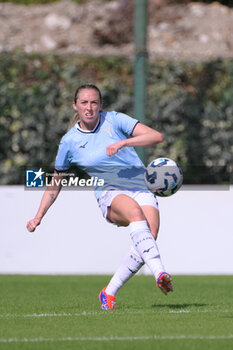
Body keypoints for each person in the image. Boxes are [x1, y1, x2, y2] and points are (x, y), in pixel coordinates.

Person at [26, 83, 173, 310]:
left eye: (94, 102)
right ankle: (160, 273)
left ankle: (109, 292)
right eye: (84, 102)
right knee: (135, 213)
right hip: (109, 190)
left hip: (140, 184)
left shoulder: (114, 120)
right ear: (75, 106)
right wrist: (38, 215)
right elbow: (56, 183)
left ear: (100, 105)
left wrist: (124, 142)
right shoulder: (69, 141)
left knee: (149, 238)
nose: (89, 107)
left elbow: (156, 137)